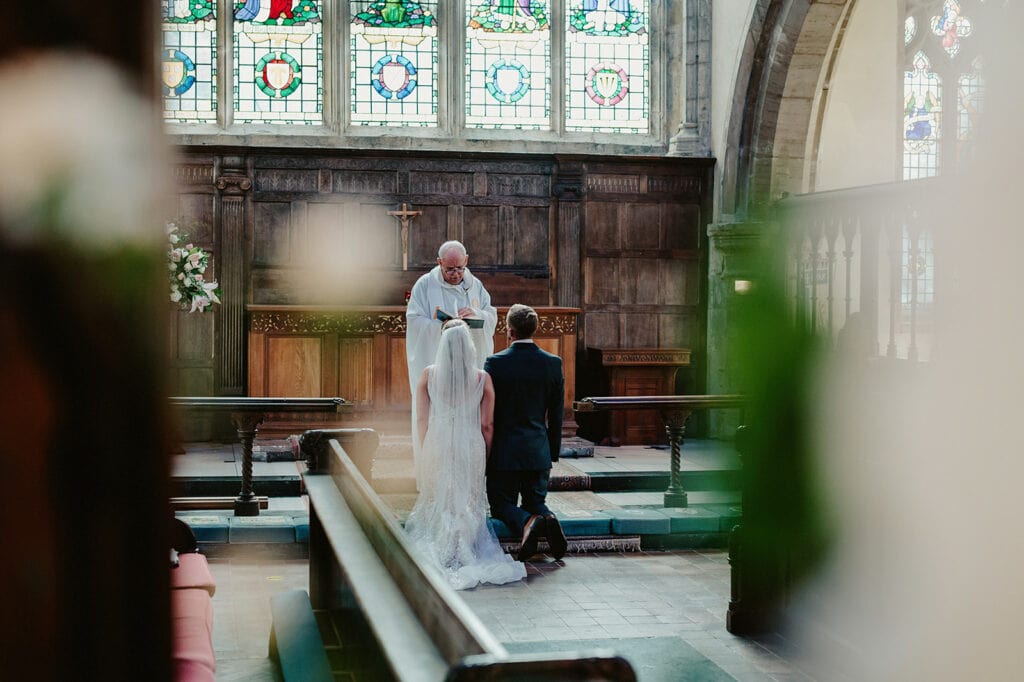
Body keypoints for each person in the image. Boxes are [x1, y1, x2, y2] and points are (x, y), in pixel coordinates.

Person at [404, 319, 526, 590]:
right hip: (471, 442)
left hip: (437, 440)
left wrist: (425, 451)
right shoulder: (482, 378)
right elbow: (487, 425)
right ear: (468, 346)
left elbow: (422, 421)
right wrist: (486, 451)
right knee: (467, 499)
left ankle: (443, 546)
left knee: (442, 497)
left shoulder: (428, 375)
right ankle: (464, 547)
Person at [406, 240, 497, 488]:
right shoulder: (425, 285)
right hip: (439, 370)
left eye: (459, 268)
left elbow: (491, 315)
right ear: (439, 264)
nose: (456, 274)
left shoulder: (474, 285)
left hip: (467, 369)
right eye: (450, 270)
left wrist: (477, 317)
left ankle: (469, 481)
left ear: (466, 261)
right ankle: (432, 479)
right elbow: (414, 321)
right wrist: (443, 328)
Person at [484, 304, 568, 562]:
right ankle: (546, 517)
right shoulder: (553, 363)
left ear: (509, 331)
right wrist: (551, 453)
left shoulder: (495, 363)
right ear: (536, 329)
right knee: (535, 501)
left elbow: (487, 411)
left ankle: (529, 521)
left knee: (500, 506)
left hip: (505, 451)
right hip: (537, 449)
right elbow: (556, 415)